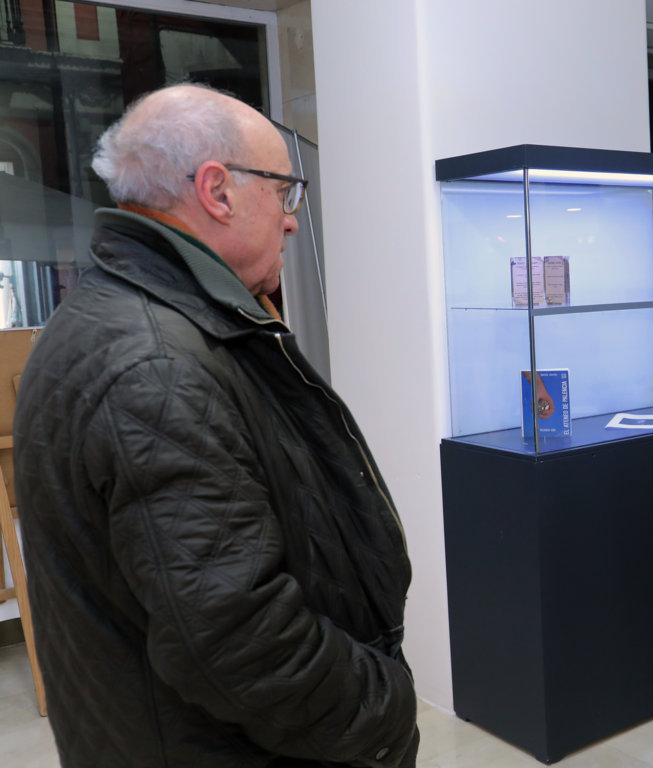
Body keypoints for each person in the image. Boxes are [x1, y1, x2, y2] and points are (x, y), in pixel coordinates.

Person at [13, 84, 418, 767]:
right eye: (283, 191)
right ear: (218, 190)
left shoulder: (120, 315)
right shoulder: (158, 362)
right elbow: (238, 640)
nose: (292, 220)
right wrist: (385, 705)